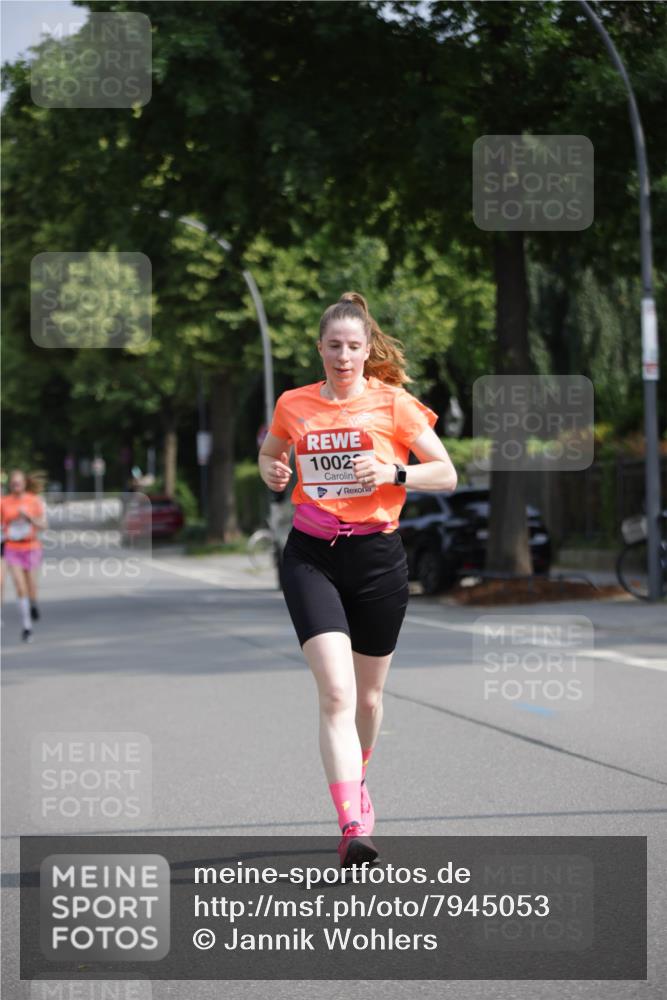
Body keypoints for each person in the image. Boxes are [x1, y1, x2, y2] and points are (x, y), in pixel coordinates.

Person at [258, 291, 457, 867]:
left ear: (366, 351)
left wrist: (393, 470)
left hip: (377, 558)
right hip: (311, 556)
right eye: (334, 347)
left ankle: (359, 778)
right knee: (337, 692)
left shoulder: (394, 404)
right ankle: (351, 824)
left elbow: (444, 473)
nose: (343, 356)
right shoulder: (294, 404)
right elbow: (273, 460)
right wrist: (274, 470)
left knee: (368, 697)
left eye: (353, 347)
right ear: (318, 348)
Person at [0, 470, 47, 642]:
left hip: (32, 546)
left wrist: (29, 518)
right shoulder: (3, 503)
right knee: (20, 587)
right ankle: (27, 627)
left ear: (25, 484)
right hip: (12, 548)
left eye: (18, 483)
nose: (16, 486)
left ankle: (33, 603)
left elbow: (44, 525)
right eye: (13, 483)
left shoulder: (33, 501)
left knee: (31, 586)